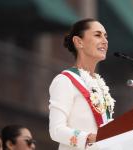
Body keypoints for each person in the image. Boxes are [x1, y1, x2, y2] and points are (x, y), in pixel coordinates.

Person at [48, 18, 115, 150]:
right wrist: (90, 138)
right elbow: (56, 130)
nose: (105, 41)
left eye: (105, 36)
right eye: (97, 35)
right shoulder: (64, 81)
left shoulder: (100, 85)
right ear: (79, 42)